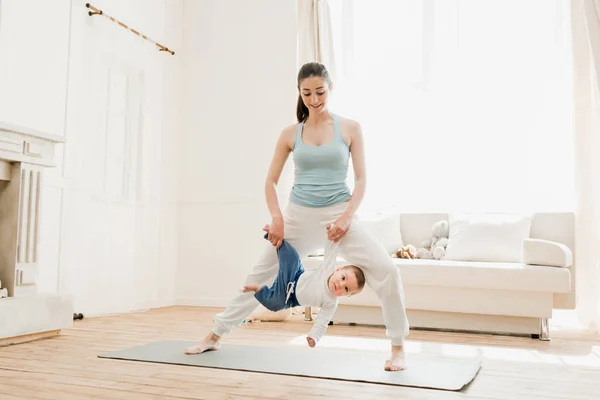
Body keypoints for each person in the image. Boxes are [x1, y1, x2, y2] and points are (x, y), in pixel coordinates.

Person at [185, 61, 410, 371]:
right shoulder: (291, 133)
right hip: (298, 216)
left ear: (331, 89)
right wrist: (277, 217)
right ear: (300, 93)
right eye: (307, 94)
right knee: (259, 276)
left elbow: (361, 181)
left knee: (386, 270)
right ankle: (214, 335)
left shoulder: (350, 128)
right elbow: (271, 181)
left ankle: (398, 347)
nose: (314, 100)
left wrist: (346, 218)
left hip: (338, 215)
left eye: (320, 92)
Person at [242, 225, 366, 347]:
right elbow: (331, 251)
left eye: (346, 289)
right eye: (343, 278)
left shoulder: (331, 303)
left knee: (275, 305)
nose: (340, 284)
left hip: (288, 298)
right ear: (338, 269)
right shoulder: (328, 269)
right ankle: (275, 237)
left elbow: (323, 321)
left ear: (347, 295)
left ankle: (258, 290)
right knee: (293, 259)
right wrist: (331, 233)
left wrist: (314, 336)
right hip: (296, 274)